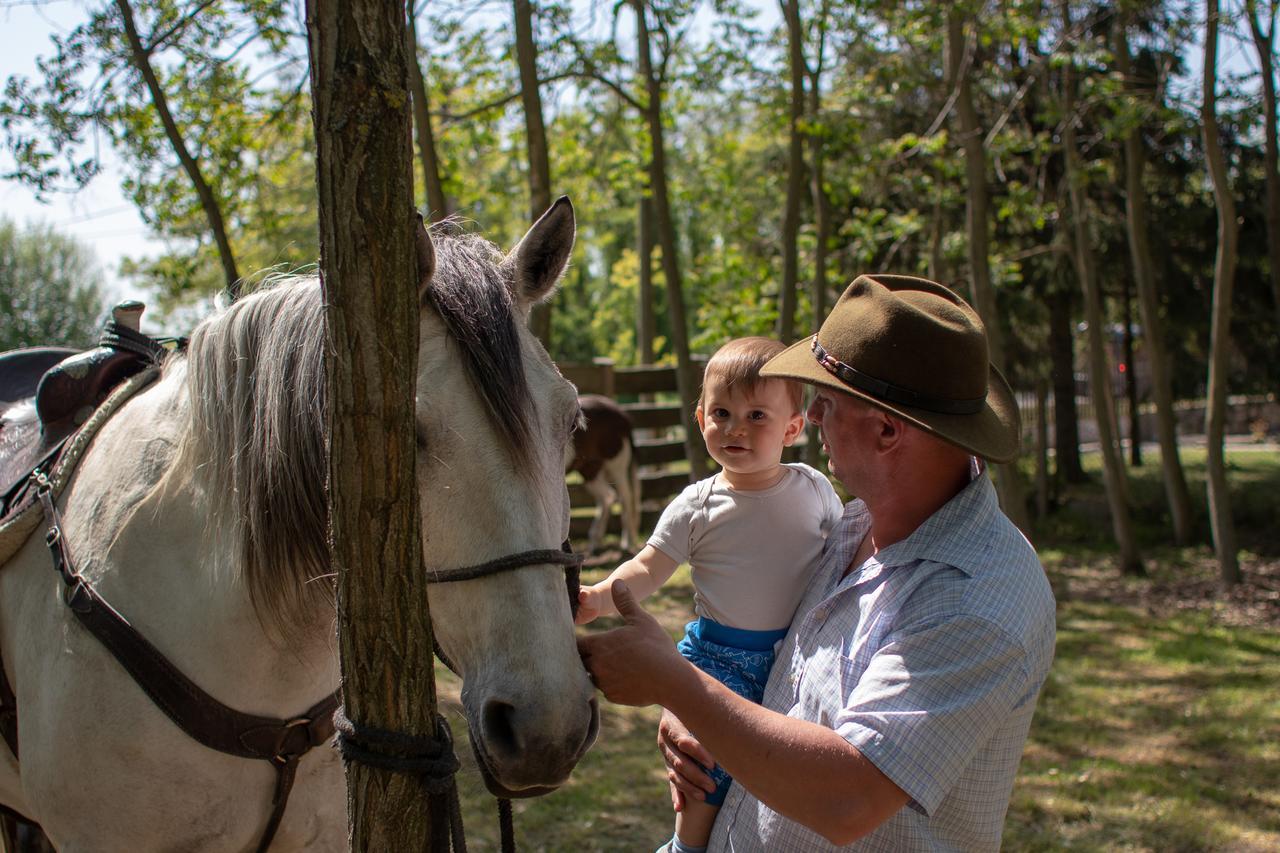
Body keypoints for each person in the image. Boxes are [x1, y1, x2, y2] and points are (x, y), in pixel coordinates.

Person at [578, 274, 1057, 851]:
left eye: (825, 403)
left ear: (886, 430)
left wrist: (677, 684)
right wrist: (703, 721)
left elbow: (847, 797)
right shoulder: (849, 524)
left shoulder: (973, 598)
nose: (814, 423)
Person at [575, 336, 844, 853]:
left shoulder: (813, 490)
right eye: (721, 412)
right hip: (718, 658)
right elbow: (648, 568)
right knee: (702, 775)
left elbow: (844, 559)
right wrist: (600, 597)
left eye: (757, 416)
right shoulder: (695, 506)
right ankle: (685, 847)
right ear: (701, 421)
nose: (736, 427)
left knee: (783, 780)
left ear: (792, 427)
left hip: (800, 656)